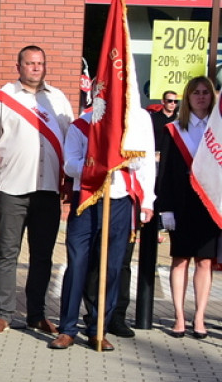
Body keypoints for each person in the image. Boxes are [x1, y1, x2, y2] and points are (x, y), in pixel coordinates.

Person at [0, 45, 75, 335]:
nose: (36, 68)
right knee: (7, 253)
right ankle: (2, 314)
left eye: (40, 63)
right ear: (18, 66)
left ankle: (36, 314)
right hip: (13, 188)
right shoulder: (4, 98)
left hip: (48, 191)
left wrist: (69, 184)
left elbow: (72, 144)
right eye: (30, 63)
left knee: (42, 256)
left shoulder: (57, 100)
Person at [49, 106, 156, 351]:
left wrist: (146, 198)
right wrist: (96, 167)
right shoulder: (81, 125)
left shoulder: (129, 127)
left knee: (112, 268)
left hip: (119, 200)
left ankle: (99, 329)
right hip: (86, 199)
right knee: (77, 265)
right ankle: (67, 329)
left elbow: (142, 161)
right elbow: (70, 165)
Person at [157, 76, 219, 340]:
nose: (201, 97)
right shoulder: (174, 129)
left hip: (209, 203)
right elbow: (167, 173)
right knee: (180, 260)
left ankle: (200, 318)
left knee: (204, 261)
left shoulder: (218, 128)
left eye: (205, 92)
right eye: (196, 92)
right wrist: (165, 209)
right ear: (187, 97)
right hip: (181, 205)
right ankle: (179, 318)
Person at [149, 90, 179, 160]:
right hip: (155, 156)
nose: (173, 104)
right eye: (170, 101)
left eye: (175, 101)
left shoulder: (179, 120)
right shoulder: (152, 118)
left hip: (173, 156)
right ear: (163, 101)